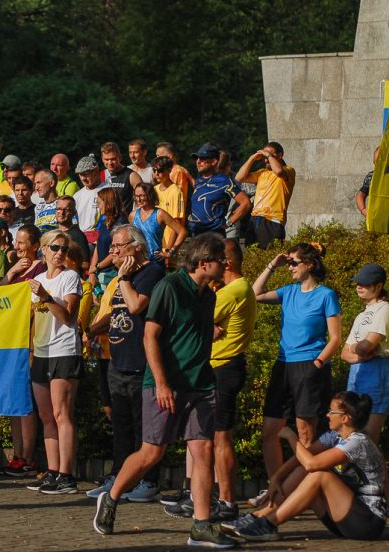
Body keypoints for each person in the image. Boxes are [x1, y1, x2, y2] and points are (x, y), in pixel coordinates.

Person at [92, 233, 235, 549]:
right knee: (151, 453)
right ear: (202, 262)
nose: (225, 264)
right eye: (220, 259)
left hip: (200, 384)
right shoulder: (169, 287)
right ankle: (112, 498)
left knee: (203, 451)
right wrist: (161, 383)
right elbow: (150, 337)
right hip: (164, 384)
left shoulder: (209, 296)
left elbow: (191, 334)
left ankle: (201, 525)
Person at [228, 392, 388, 542]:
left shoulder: (358, 442)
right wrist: (276, 477)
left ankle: (267, 524)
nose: (327, 415)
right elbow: (302, 460)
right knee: (303, 471)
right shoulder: (335, 437)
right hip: (347, 520)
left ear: (345, 418)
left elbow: (312, 464)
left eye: (332, 412)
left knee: (319, 475)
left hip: (368, 522)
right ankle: (259, 517)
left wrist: (292, 437)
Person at [251, 242, 342, 493]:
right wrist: (272, 265)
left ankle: (303, 490)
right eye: (288, 262)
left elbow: (335, 338)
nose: (289, 267)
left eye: (293, 263)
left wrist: (318, 363)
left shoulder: (326, 295)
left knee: (306, 434)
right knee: (270, 430)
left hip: (309, 366)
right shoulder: (289, 291)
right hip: (283, 365)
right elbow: (254, 294)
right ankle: (276, 486)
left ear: (310, 265)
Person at [85, 225, 166, 502]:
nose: (113, 252)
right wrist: (93, 329)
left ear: (137, 247)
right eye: (112, 247)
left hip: (141, 364)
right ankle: (120, 477)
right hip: (117, 361)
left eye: (118, 247)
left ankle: (149, 480)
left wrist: (124, 278)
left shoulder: (151, 272)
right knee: (121, 428)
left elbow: (135, 306)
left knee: (144, 429)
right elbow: (118, 310)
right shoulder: (124, 278)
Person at [25, 230, 83, 495]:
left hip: (64, 350)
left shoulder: (70, 277)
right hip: (41, 352)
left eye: (64, 249)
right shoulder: (35, 280)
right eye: (55, 248)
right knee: (46, 415)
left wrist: (46, 297)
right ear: (43, 250)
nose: (60, 253)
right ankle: (52, 471)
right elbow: (29, 320)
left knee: (62, 414)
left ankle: (67, 475)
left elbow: (69, 317)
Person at [207, 239, 256, 520]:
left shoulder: (234, 290)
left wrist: (205, 323)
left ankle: (227, 500)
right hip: (224, 366)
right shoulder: (234, 288)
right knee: (216, 437)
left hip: (223, 367)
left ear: (227, 262)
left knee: (221, 437)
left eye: (212, 257)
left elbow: (192, 319)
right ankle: (219, 496)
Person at [0, 225, 45, 476]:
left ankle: (27, 456)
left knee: (25, 400)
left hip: (29, 342)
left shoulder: (41, 270)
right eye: (16, 242)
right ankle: (16, 455)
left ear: (35, 245)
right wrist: (11, 274)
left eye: (22, 243)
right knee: (15, 401)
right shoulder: (16, 269)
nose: (17, 247)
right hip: (11, 342)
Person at [339, 264, 389, 443]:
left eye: (365, 284)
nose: (359, 286)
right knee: (352, 435)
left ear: (379, 286)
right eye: (358, 282)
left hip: (378, 372)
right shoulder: (361, 315)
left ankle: (374, 472)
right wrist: (358, 351)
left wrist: (357, 348)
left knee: (368, 438)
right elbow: (345, 354)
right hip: (357, 372)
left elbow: (367, 345)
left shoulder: (385, 309)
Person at [235, 142, 296, 249]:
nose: (266, 160)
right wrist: (252, 159)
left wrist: (268, 155)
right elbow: (239, 178)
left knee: (268, 256)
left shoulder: (289, 170)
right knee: (252, 257)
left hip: (272, 221)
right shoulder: (262, 172)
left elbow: (278, 171)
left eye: (269, 155)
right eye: (265, 157)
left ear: (280, 155)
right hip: (255, 220)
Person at [188, 144, 251, 237]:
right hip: (196, 234)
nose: (198, 161)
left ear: (214, 161)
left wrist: (229, 223)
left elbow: (246, 203)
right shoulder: (199, 181)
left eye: (202, 158)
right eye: (197, 158)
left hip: (214, 235)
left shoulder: (224, 180)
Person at [129, 182, 187, 264]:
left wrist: (171, 252)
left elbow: (182, 232)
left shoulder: (160, 214)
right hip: (137, 262)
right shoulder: (133, 215)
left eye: (142, 196)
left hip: (155, 262)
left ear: (150, 195)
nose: (138, 199)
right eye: (136, 196)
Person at [89, 188, 125, 295]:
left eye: (100, 203)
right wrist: (93, 266)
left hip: (111, 271)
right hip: (101, 269)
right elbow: (98, 245)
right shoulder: (105, 222)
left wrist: (98, 267)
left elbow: (116, 251)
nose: (98, 206)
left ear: (108, 204)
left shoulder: (120, 223)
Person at [152, 156, 187, 257]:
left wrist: (168, 250)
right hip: (155, 244)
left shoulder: (175, 192)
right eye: (154, 170)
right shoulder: (154, 190)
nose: (156, 173)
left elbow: (176, 224)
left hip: (167, 246)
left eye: (160, 170)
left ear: (169, 170)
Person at [73, 154, 106, 243]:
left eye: (86, 174)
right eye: (80, 175)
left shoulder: (107, 190)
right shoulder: (77, 196)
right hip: (80, 239)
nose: (83, 178)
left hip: (99, 239)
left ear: (96, 171)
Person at [101, 142, 140, 212]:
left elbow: (145, 198)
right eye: (106, 159)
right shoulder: (101, 175)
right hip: (105, 220)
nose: (110, 163)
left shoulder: (131, 175)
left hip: (124, 221)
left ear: (120, 157)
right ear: (102, 159)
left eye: (113, 159)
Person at [54, 196, 91, 271]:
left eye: (66, 210)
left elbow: (86, 264)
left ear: (74, 213)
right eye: (59, 209)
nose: (62, 213)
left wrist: (67, 263)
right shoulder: (53, 233)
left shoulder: (77, 235)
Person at [155, 141, 195, 210]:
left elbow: (178, 198)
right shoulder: (165, 171)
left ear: (169, 156)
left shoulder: (178, 171)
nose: (157, 159)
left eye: (159, 156)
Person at [355, 147, 379, 218]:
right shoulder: (372, 176)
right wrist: (363, 210)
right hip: (376, 218)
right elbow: (360, 195)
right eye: (376, 162)